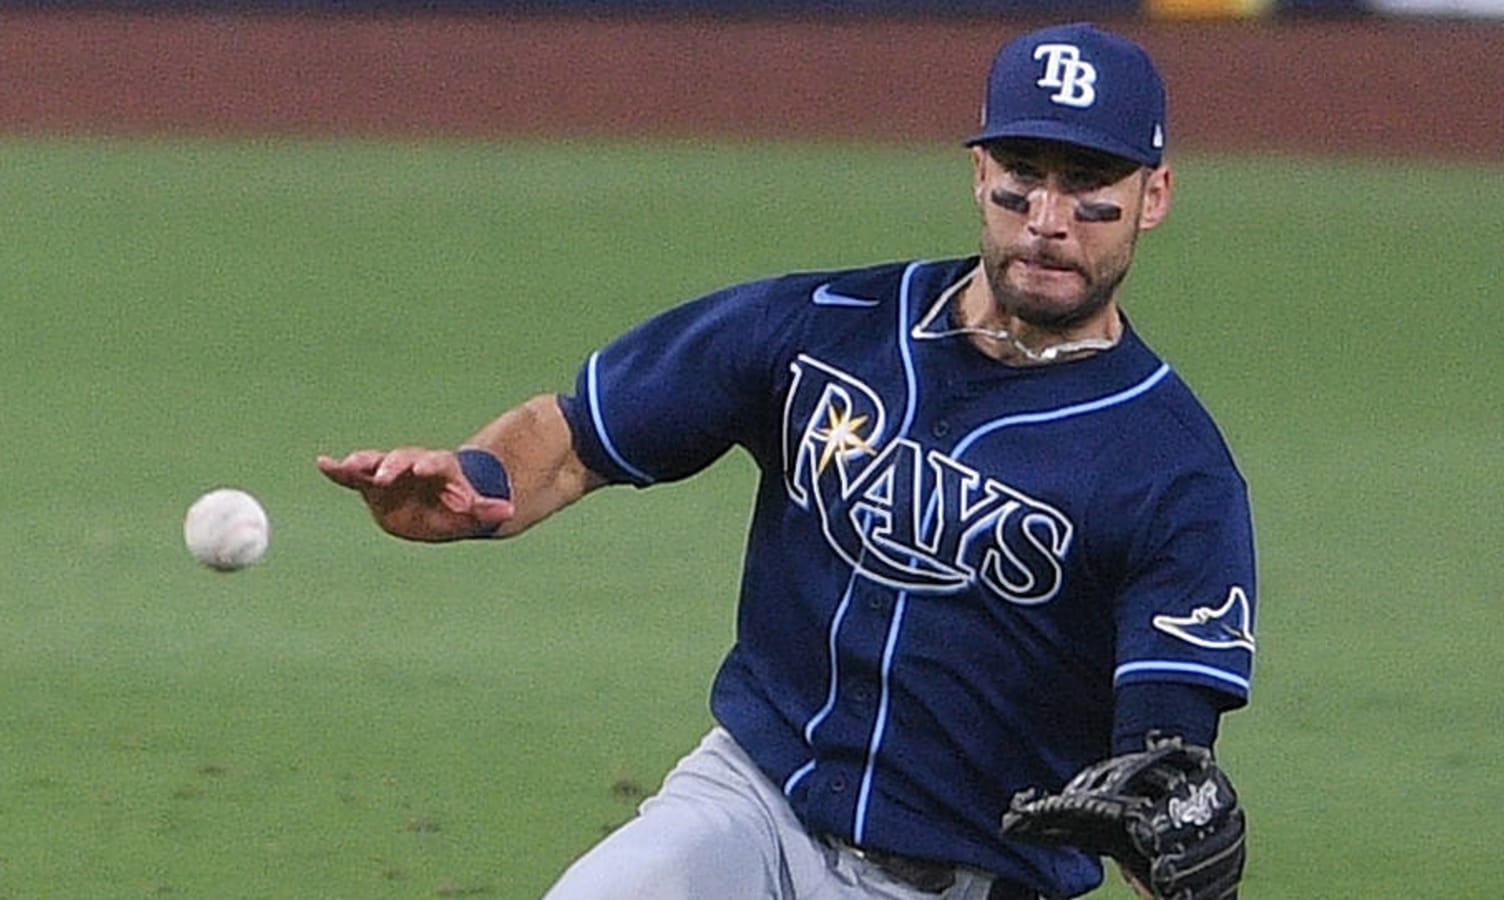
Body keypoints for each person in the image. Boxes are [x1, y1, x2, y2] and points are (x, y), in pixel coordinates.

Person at [319, 22, 1256, 900]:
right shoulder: (822, 332)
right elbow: (575, 435)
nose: (1048, 218)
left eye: (1090, 183)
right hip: (747, 807)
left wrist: (1170, 807)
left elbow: (1166, 748)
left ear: (1153, 196)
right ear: (978, 174)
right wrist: (480, 483)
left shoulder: (1174, 471)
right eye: (1022, 175)